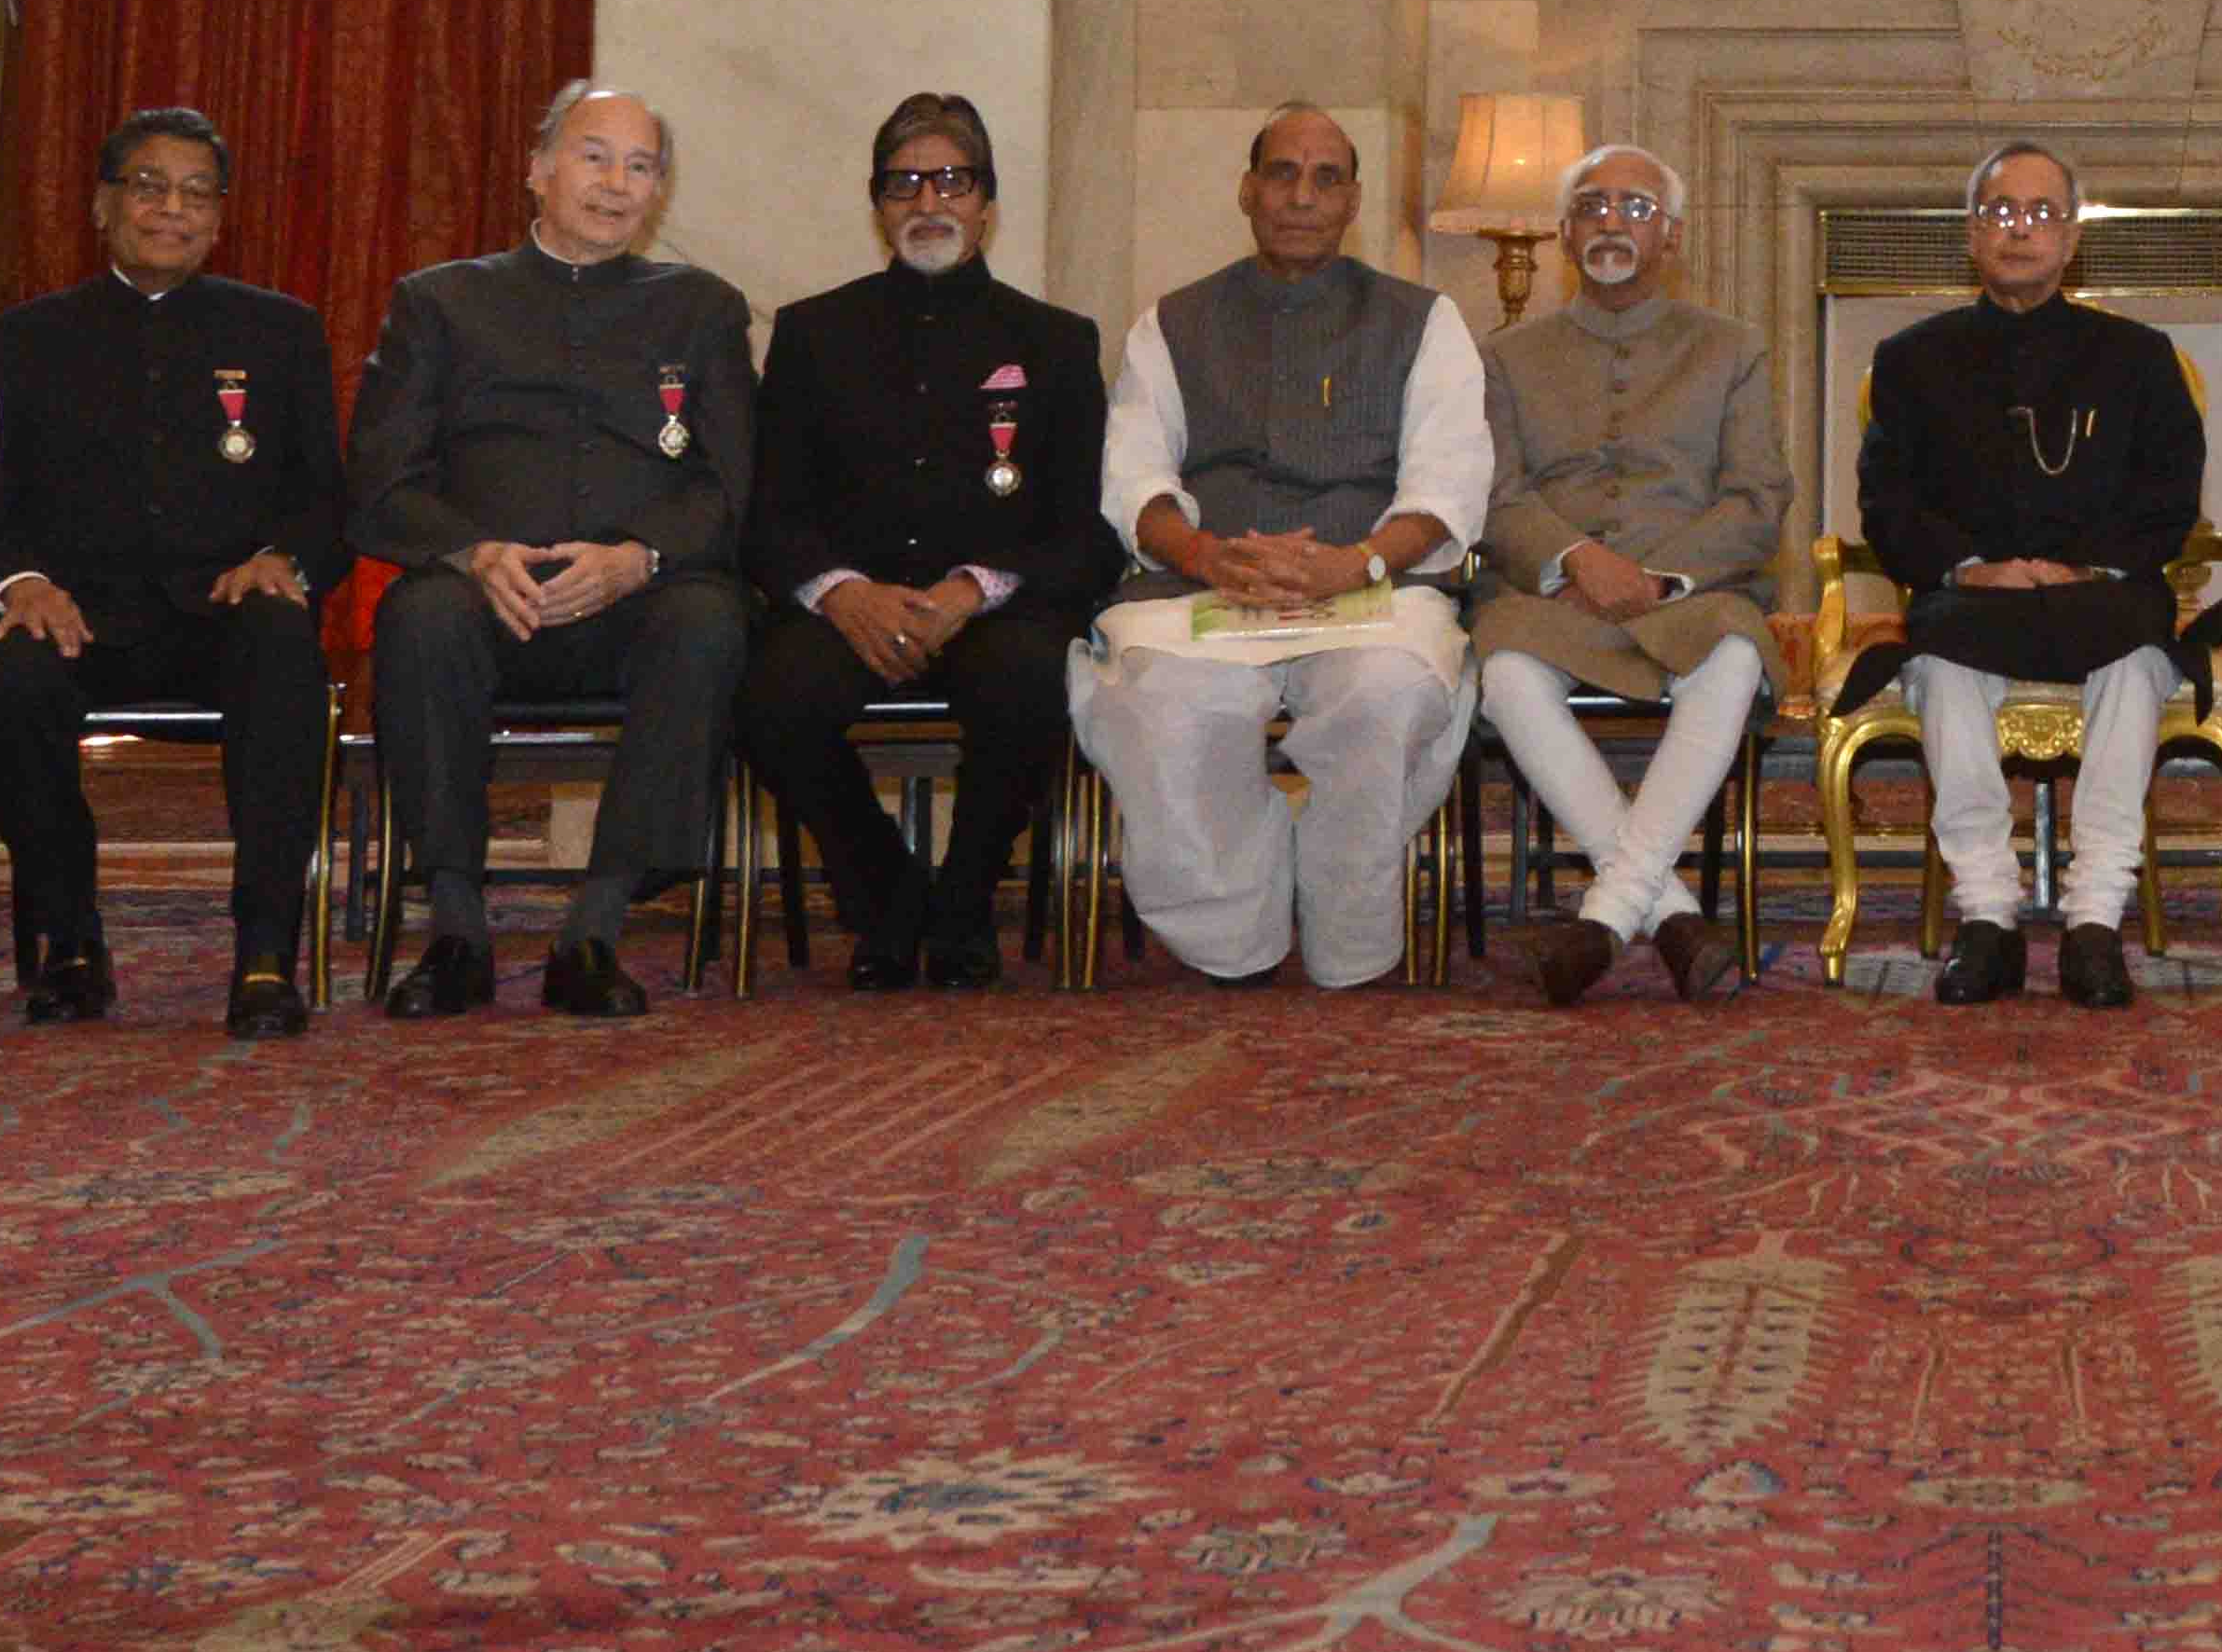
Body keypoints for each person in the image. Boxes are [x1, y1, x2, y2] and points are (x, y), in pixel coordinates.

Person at [353, 80, 753, 1019]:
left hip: (635, 600)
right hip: (484, 596)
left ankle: (597, 926)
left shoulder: (702, 309)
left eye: (641, 165)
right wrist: (471, 551)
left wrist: (639, 555)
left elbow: (732, 487)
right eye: (593, 155)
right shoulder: (440, 302)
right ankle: (455, 926)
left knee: (707, 618)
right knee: (417, 616)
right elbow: (379, 483)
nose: (616, 183)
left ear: (658, 191)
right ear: (536, 169)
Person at [1080, 104, 1490, 990]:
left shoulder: (1425, 321)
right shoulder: (1172, 323)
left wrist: (1361, 561)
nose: (1302, 196)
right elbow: (1135, 476)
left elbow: (1449, 484)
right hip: (1205, 586)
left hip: (1369, 590)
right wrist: (1203, 554)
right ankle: (1234, 936)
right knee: (1166, 705)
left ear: (1352, 203)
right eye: (1282, 173)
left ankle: (1346, 934)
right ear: (1247, 189)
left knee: (1380, 696)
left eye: (1327, 178)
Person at [0, 105, 349, 1039]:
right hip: (78, 617)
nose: (170, 209)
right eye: (147, 186)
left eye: (195, 193)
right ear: (102, 204)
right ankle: (70, 941)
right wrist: (18, 582)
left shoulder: (280, 332)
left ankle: (265, 952)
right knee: (8, 678)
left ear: (220, 217)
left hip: (220, 613)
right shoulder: (18, 341)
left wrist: (281, 560)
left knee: (282, 641)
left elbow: (329, 502)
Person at [739, 92, 1116, 995]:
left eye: (951, 179)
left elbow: (1088, 529)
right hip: (850, 606)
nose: (927, 201)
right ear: (877, 205)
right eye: (904, 183)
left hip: (994, 606)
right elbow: (769, 512)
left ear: (987, 202)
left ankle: (965, 902)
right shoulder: (810, 332)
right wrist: (839, 590)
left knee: (1032, 679)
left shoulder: (1057, 342)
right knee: (766, 698)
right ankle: (889, 893)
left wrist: (970, 589)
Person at [1863, 141, 2216, 1004]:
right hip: (1971, 597)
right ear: (1971, 234)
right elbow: (1888, 503)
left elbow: (2169, 500)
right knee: (1940, 664)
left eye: (2041, 214)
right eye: (1999, 212)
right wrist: (1973, 567)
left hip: (2102, 593)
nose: (2019, 231)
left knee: (2138, 663)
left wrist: (2079, 567)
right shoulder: (1912, 358)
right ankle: (1987, 916)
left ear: (2071, 239)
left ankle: (2096, 919)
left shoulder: (2139, 355)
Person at [1470, 139, 1787, 1001]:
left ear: (1672, 237)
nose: (1613, 221)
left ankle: (1606, 917)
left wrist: (1658, 579)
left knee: (1735, 656)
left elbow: (1758, 499)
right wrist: (1577, 560)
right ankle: (1673, 918)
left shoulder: (1732, 349)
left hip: (1690, 595)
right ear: (1566, 237)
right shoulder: (1507, 356)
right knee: (1501, 667)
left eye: (1637, 209)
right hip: (1554, 594)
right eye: (1592, 207)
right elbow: (1495, 497)